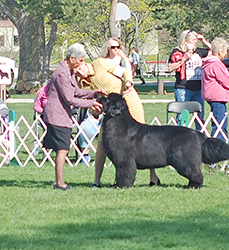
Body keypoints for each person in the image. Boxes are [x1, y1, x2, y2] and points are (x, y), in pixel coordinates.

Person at [77, 37, 160, 187]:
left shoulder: (100, 63)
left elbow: (124, 72)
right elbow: (91, 104)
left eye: (80, 67)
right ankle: (97, 181)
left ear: (83, 62)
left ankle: (153, 178)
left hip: (129, 100)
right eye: (76, 71)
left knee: (144, 139)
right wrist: (94, 109)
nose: (79, 71)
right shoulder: (83, 83)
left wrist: (128, 82)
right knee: (102, 143)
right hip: (111, 110)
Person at [43, 42, 107, 190]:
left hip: (63, 114)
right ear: (72, 58)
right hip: (56, 114)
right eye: (80, 60)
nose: (82, 64)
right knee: (62, 149)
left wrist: (94, 93)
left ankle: (59, 182)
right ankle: (59, 183)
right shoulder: (62, 73)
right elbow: (69, 99)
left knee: (63, 148)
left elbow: (76, 91)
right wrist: (91, 104)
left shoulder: (69, 71)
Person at [201, 37, 229, 140]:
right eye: (225, 51)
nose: (226, 54)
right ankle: (219, 146)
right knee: (220, 124)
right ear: (220, 51)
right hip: (217, 96)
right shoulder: (216, 64)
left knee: (218, 121)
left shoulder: (208, 62)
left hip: (211, 95)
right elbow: (226, 81)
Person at [168, 30, 211, 130]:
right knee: (182, 117)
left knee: (200, 117)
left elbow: (216, 51)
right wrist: (184, 58)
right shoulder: (178, 52)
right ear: (185, 41)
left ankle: (200, 139)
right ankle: (181, 139)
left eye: (196, 40)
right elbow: (170, 68)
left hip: (198, 89)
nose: (195, 41)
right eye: (193, 40)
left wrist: (203, 40)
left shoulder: (199, 52)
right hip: (183, 89)